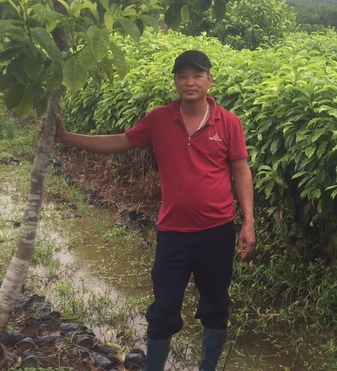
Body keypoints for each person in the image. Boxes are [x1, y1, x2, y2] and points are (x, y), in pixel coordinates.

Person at [48, 50, 255, 371]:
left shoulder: (228, 123)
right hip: (173, 234)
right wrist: (66, 137)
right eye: (182, 76)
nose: (189, 82)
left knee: (215, 306)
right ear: (175, 81)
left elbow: (241, 171)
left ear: (209, 80)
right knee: (163, 310)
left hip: (218, 232)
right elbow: (120, 141)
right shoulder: (159, 119)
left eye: (197, 75)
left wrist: (248, 221)